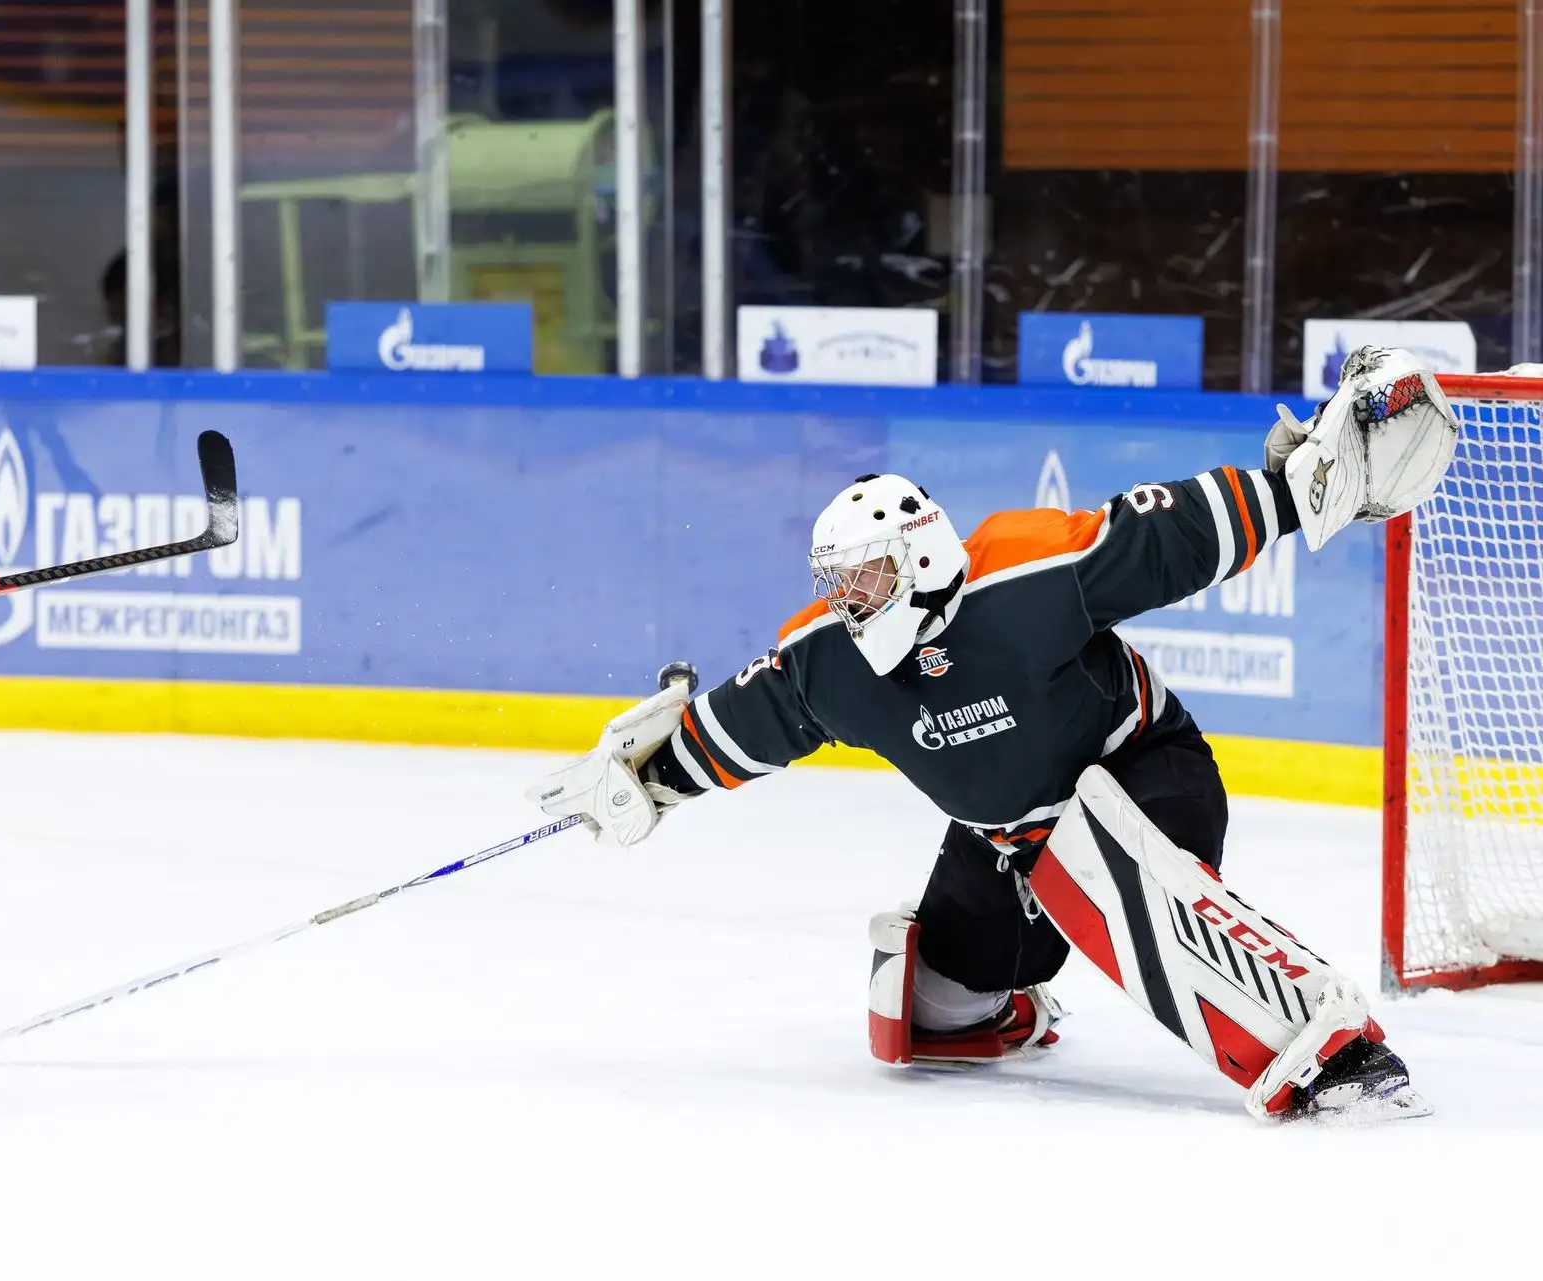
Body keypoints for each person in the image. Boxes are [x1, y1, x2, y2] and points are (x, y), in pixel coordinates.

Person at [528, 344, 1459, 1122]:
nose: (850, 602)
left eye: (867, 577)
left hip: (1144, 776)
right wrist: (647, 777)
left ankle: (1329, 1045)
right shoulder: (832, 662)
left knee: (1094, 859)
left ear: (922, 555)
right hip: (1009, 840)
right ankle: (1018, 998)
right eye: (838, 583)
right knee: (919, 1013)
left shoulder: (1026, 574)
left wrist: (1295, 489)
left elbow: (1166, 539)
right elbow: (744, 720)